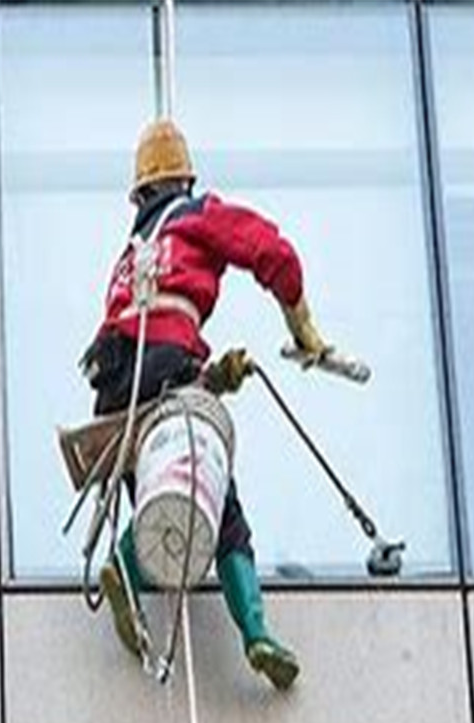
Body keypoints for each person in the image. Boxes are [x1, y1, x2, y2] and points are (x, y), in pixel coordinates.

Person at [81, 119, 329, 691]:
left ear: (140, 195)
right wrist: (302, 325)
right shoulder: (197, 216)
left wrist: (213, 375)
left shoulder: (130, 257)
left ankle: (130, 566)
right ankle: (253, 630)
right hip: (164, 365)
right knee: (216, 503)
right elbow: (270, 251)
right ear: (184, 182)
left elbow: (150, 354)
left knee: (165, 483)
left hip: (115, 390)